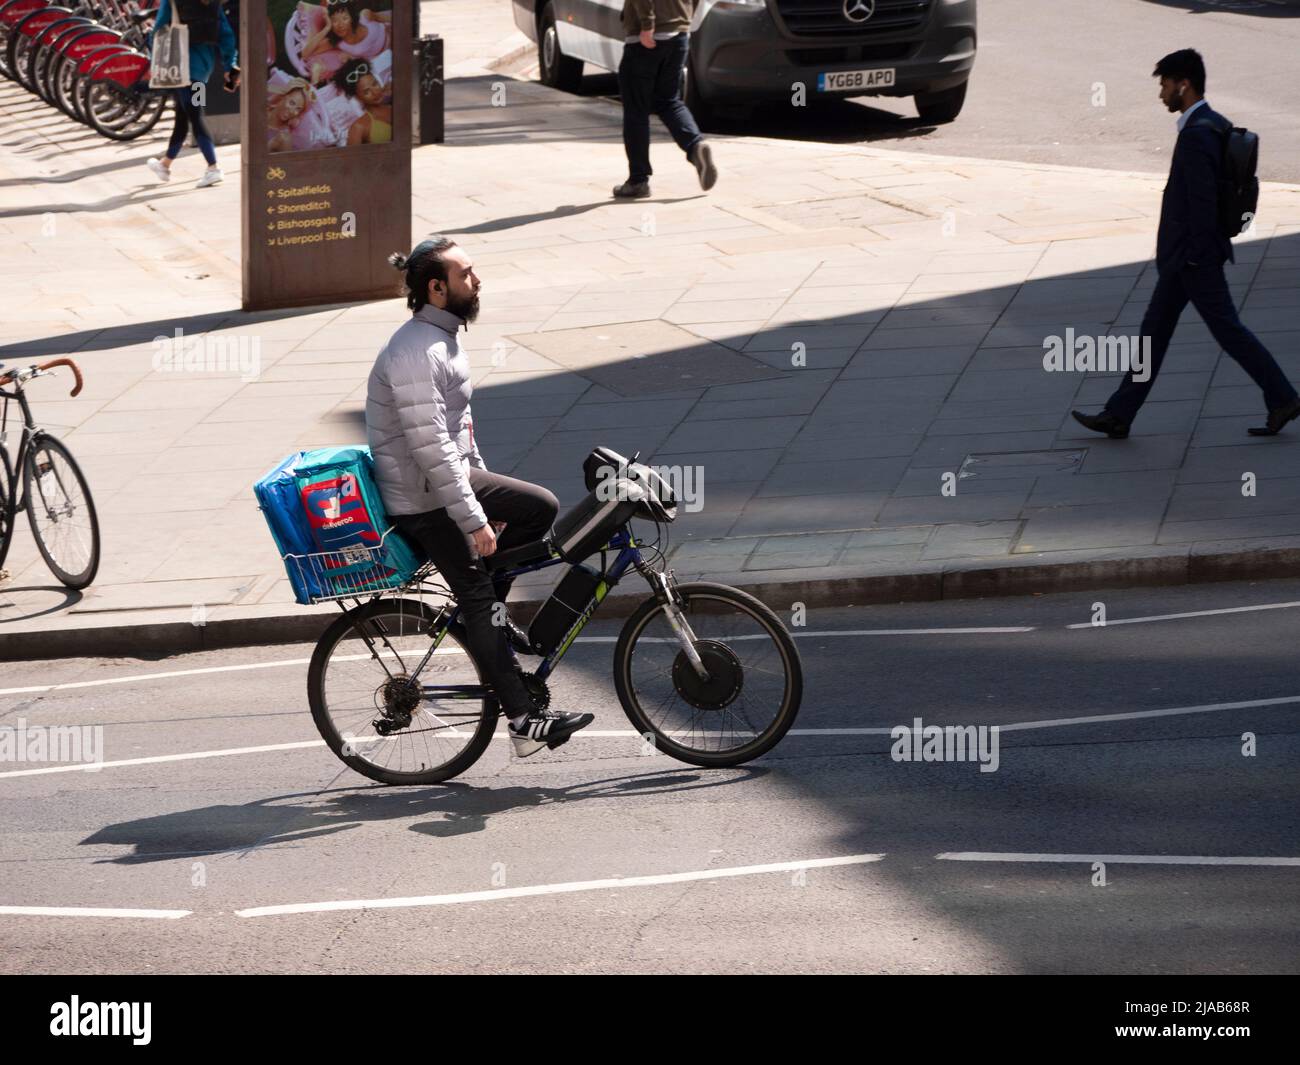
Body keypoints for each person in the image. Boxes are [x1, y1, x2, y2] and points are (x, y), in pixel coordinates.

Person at [366, 237, 595, 757]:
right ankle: (521, 720)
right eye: (467, 273)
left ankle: (487, 617)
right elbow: (430, 448)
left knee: (538, 508)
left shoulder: (441, 338)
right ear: (436, 287)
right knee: (476, 598)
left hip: (443, 482)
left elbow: (458, 434)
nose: (478, 280)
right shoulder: (415, 352)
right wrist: (473, 519)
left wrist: (486, 500)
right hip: (423, 502)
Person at [1073, 49, 1300, 439]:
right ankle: (1119, 413)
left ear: (1184, 84)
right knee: (1153, 334)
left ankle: (1284, 397)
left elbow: (1200, 202)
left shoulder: (1197, 136)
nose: (1161, 94)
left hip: (1193, 259)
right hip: (1188, 258)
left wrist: (1194, 257)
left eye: (1164, 85)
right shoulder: (1215, 124)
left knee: (1228, 330)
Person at [614, 0, 717, 199]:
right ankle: (695, 146)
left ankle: (638, 180)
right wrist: (685, 18)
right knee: (668, 100)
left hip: (647, 37)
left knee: (637, 109)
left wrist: (647, 24)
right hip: (679, 32)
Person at [144, 0, 240, 188]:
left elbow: (159, 29)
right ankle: (165, 165)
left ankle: (213, 167)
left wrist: (151, 49)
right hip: (203, 69)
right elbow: (226, 35)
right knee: (183, 115)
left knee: (195, 115)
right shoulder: (213, 2)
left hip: (181, 68)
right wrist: (230, 65)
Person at [333, 58, 392, 144]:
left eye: (375, 84)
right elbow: (351, 157)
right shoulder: (358, 127)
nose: (375, 92)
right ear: (357, 97)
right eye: (366, 92)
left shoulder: (395, 105)